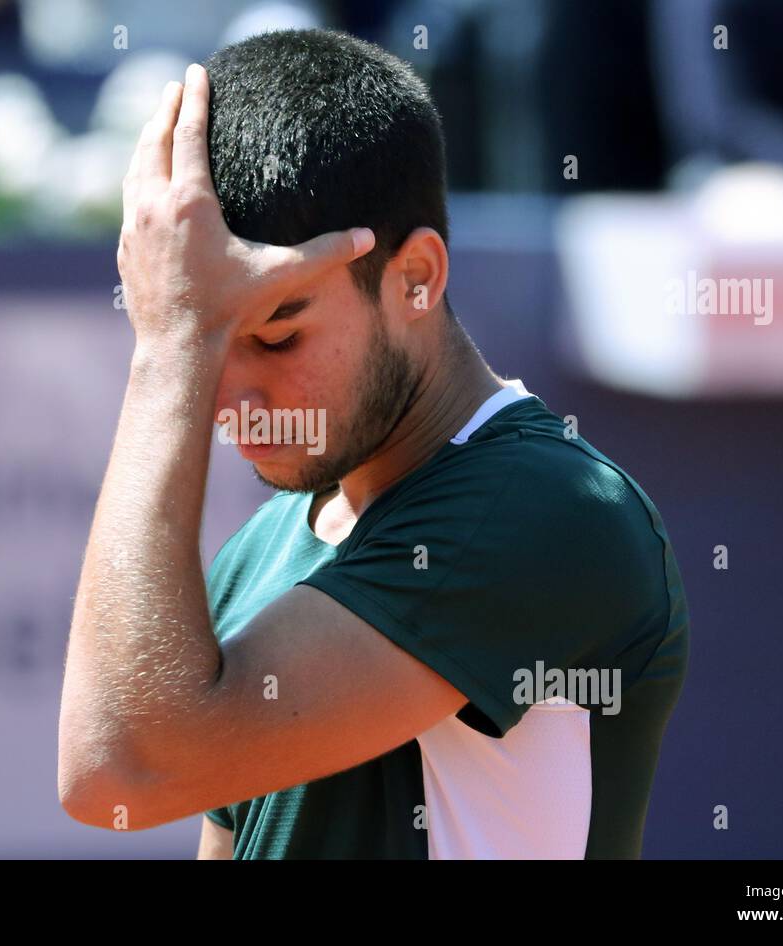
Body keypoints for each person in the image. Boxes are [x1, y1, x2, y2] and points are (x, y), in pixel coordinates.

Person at [58, 29, 689, 859]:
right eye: (212, 344)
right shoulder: (258, 554)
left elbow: (117, 770)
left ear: (417, 277)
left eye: (278, 338)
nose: (230, 399)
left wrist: (170, 341)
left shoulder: (549, 508)